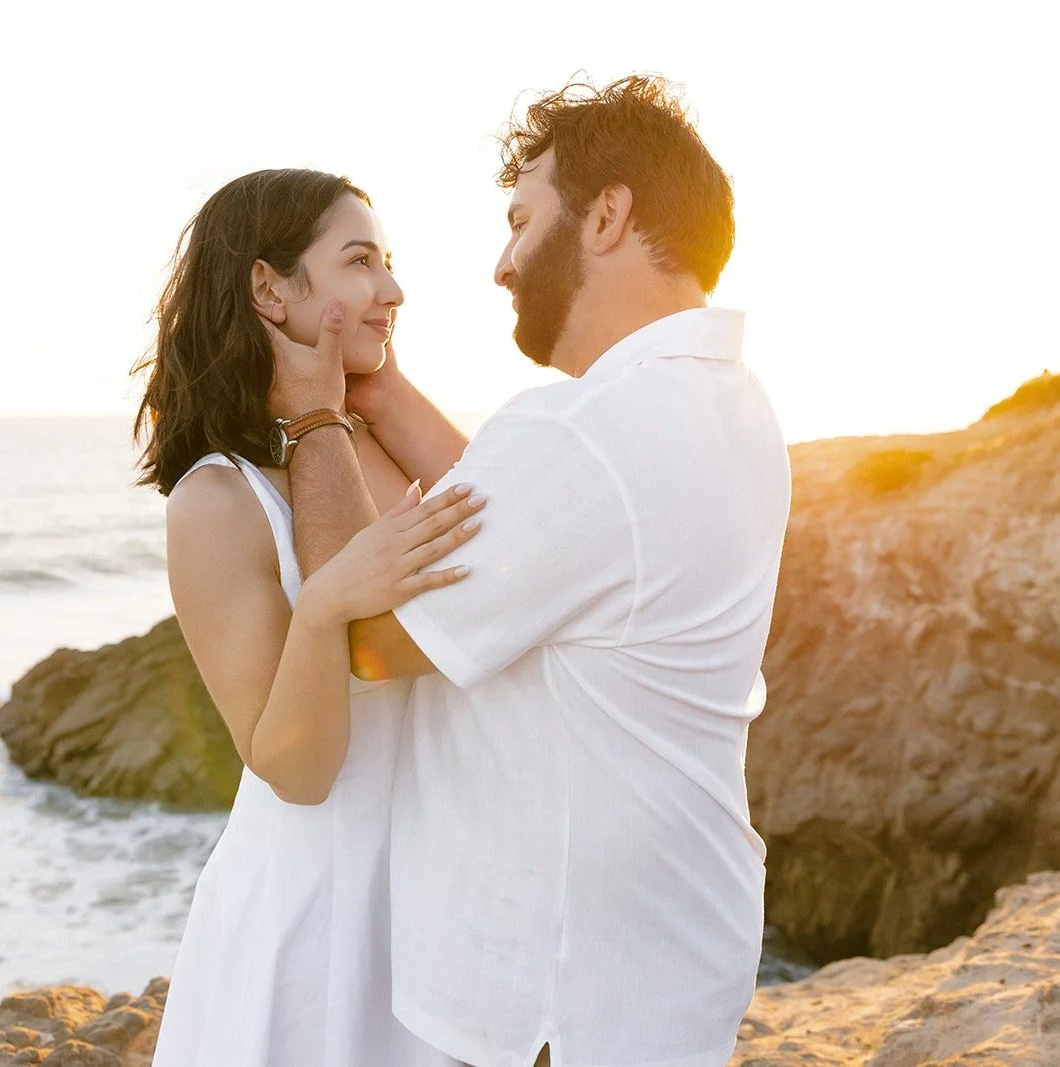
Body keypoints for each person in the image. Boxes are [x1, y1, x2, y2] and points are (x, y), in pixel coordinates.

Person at [274, 75, 792, 1067]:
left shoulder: (583, 432)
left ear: (606, 216)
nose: (503, 264)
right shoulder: (726, 398)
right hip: (672, 955)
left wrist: (313, 412)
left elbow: (363, 631)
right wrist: (381, 398)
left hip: (559, 997)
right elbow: (531, 530)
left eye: (520, 222)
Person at [133, 169, 472, 1067]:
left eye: (387, 262)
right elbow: (298, 767)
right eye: (360, 261)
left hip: (440, 898)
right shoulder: (217, 501)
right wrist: (321, 614)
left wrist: (375, 395)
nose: (393, 289)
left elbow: (520, 549)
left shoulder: (382, 438)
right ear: (269, 287)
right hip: (319, 922)